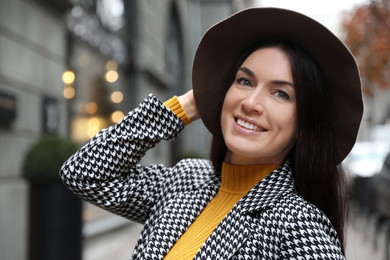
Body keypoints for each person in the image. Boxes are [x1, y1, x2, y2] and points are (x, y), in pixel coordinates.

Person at [60, 7, 363, 259]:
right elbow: (84, 174)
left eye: (281, 94)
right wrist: (189, 105)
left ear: (304, 126)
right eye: (244, 81)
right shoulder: (185, 181)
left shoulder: (297, 225)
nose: (251, 102)